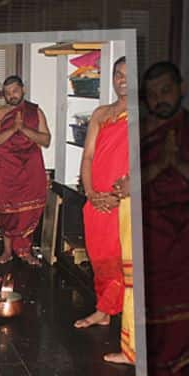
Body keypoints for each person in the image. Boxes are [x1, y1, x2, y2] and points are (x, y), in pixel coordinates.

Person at [128, 61, 189, 376]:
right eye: (151, 94)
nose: (159, 100)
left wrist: (174, 164)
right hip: (148, 233)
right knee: (143, 322)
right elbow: (129, 182)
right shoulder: (140, 132)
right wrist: (159, 164)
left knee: (177, 323)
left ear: (180, 87)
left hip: (182, 236)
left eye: (165, 90)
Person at [74, 57, 129, 329]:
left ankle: (112, 313)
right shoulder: (101, 114)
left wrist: (117, 198)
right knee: (99, 257)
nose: (123, 80)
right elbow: (88, 158)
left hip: (125, 203)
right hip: (95, 200)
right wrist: (90, 192)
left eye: (129, 75)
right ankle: (105, 310)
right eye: (118, 74)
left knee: (119, 259)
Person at [0, 76, 50, 265]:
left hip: (31, 167)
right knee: (8, 211)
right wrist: (13, 129)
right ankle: (7, 251)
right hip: (7, 169)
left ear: (23, 89)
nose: (11, 96)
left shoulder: (35, 112)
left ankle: (25, 251)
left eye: (14, 91)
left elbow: (45, 140)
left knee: (30, 210)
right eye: (7, 93)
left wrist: (23, 128)